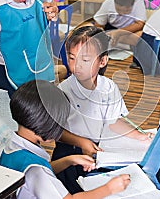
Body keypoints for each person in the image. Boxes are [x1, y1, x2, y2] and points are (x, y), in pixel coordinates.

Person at [53, 26, 152, 193]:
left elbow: (114, 121)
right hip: (69, 155)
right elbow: (55, 131)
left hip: (99, 151)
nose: (76, 65)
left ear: (102, 61)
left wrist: (139, 136)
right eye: (71, 58)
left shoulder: (108, 87)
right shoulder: (64, 91)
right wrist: (82, 142)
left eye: (84, 60)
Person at [0, 80, 131, 199]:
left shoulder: (13, 144)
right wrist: (109, 189)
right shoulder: (36, 171)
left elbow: (42, 172)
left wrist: (69, 160)